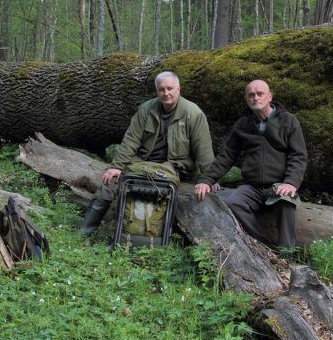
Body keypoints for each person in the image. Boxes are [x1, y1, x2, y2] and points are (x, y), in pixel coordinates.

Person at [81, 71, 215, 236]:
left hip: (175, 166)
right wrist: (116, 167)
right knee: (109, 184)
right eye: (161, 89)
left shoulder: (193, 114)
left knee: (157, 188)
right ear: (157, 91)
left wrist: (209, 179)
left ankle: (150, 233)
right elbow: (131, 140)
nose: (166, 93)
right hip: (143, 162)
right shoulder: (146, 110)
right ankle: (85, 232)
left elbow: (204, 149)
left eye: (170, 88)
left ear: (179, 89)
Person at [194, 80, 307, 248]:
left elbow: (298, 156)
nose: (256, 98)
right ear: (246, 99)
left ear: (270, 96)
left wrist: (291, 182)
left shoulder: (288, 121)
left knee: (286, 202)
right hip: (251, 187)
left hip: (278, 185)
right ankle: (263, 246)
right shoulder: (243, 124)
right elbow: (227, 155)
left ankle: (287, 253)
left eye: (260, 94)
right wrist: (206, 180)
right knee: (233, 203)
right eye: (251, 95)